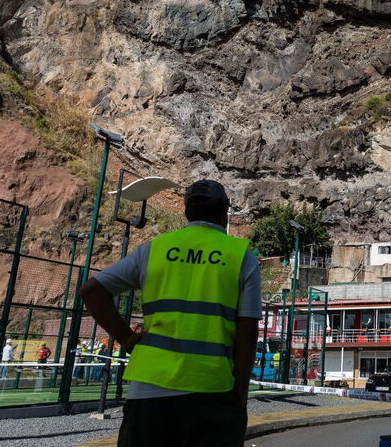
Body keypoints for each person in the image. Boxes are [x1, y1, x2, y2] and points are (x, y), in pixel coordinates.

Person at [80, 179, 261, 447]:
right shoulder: (240, 256)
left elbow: (92, 291)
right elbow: (247, 331)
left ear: (186, 211)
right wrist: (240, 393)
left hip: (149, 389)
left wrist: (127, 339)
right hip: (212, 388)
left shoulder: (155, 249)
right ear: (225, 211)